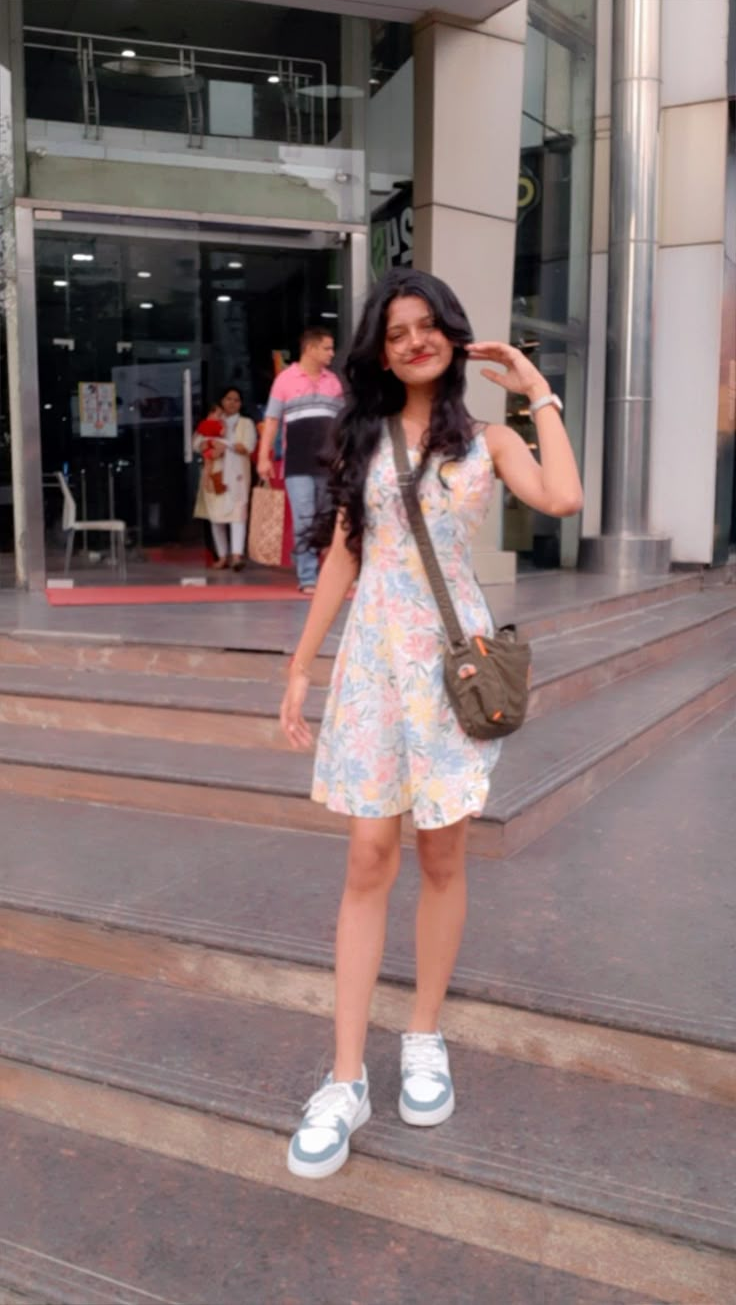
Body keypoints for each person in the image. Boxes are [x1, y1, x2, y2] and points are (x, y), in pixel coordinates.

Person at [279, 267, 583, 1180]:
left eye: (429, 326)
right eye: (396, 330)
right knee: (368, 856)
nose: (414, 341)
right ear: (379, 346)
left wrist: (537, 392)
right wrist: (301, 665)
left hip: (448, 673)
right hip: (376, 668)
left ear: (453, 334)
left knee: (441, 855)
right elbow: (344, 554)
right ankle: (344, 1078)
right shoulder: (364, 438)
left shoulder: (487, 439)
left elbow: (563, 499)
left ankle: (422, 1036)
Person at [257, 328, 343, 594]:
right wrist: (264, 456)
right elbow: (271, 420)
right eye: (327, 348)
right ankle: (308, 577)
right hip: (296, 463)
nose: (331, 353)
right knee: (304, 519)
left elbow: (342, 424)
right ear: (311, 349)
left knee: (326, 519)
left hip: (327, 463)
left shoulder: (334, 382)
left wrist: (344, 455)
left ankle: (329, 572)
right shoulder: (285, 380)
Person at [193, 387, 257, 571]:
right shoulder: (212, 420)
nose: (232, 403)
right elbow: (197, 442)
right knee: (215, 516)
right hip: (214, 473)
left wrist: (225, 445)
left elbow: (248, 447)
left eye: (236, 400)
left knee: (238, 515)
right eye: (228, 399)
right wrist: (209, 444)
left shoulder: (246, 423)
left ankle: (237, 555)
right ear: (222, 401)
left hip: (236, 475)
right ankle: (222, 556)